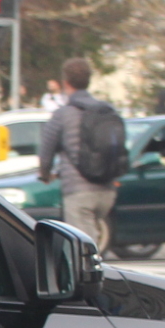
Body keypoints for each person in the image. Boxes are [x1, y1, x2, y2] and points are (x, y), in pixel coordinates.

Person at [38, 57, 121, 250]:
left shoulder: (64, 114)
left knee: (82, 249)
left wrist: (45, 175)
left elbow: (46, 149)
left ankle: (90, 278)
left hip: (78, 191)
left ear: (65, 82)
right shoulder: (106, 110)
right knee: (92, 239)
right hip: (107, 189)